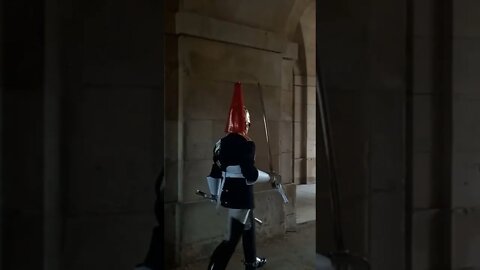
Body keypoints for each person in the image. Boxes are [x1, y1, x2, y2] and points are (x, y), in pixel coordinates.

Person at [205, 82, 277, 270]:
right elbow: (250, 175)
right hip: (241, 196)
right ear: (245, 121)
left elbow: (215, 172)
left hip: (227, 192)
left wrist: (214, 195)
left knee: (248, 228)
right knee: (231, 238)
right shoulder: (247, 143)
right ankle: (215, 267)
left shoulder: (220, 143)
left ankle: (251, 262)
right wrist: (270, 177)